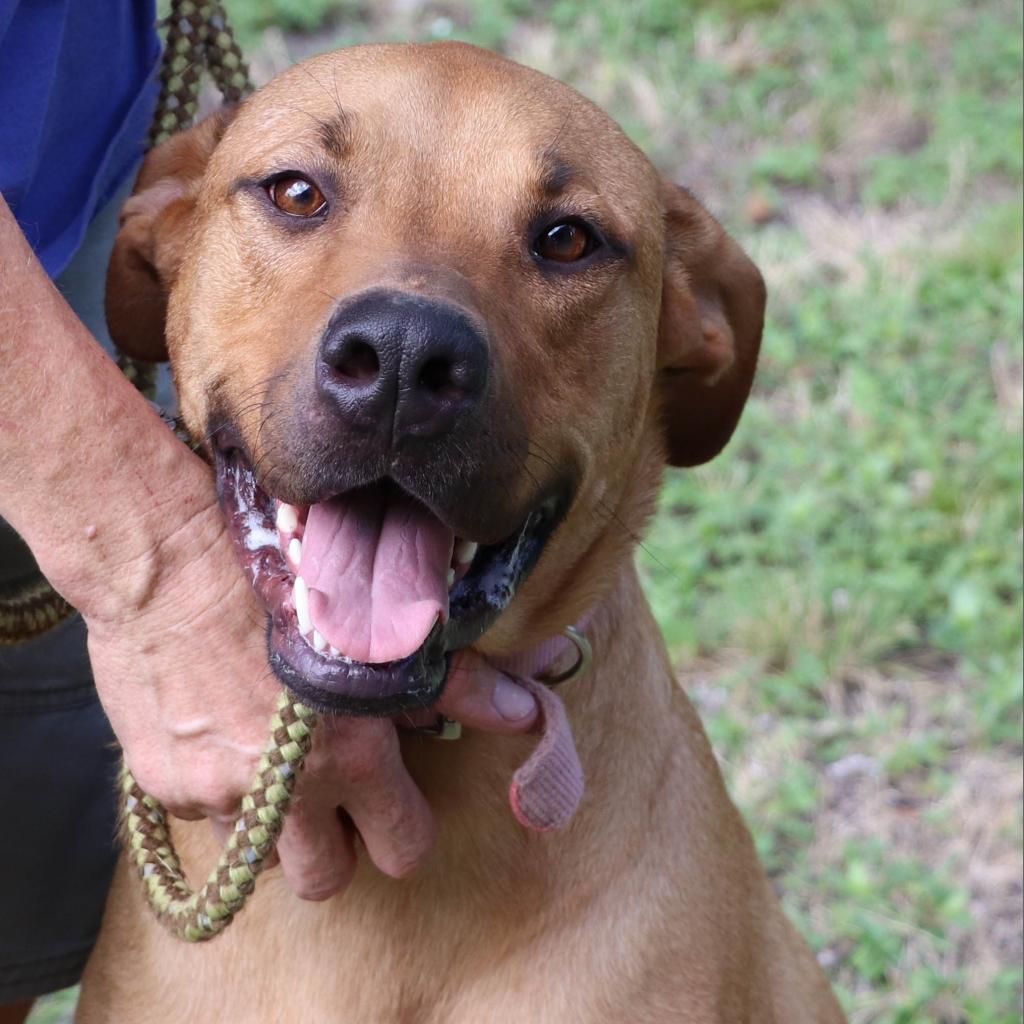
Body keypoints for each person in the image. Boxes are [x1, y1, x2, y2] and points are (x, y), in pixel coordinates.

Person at [0, 4, 541, 1020]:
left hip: (50, 148)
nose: (403, 339)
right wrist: (153, 564)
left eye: (560, 241)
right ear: (160, 242)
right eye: (298, 196)